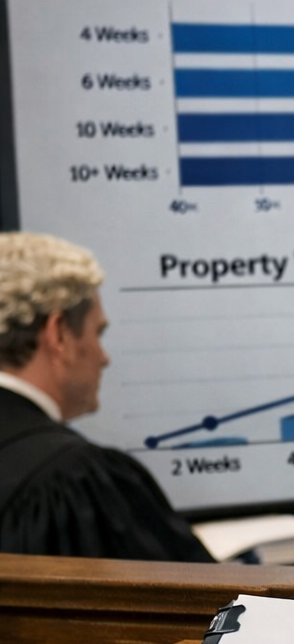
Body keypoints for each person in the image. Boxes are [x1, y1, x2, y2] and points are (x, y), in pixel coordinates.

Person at [0, 233, 212, 561]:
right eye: (97, 333)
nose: (104, 357)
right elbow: (208, 603)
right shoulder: (73, 481)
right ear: (58, 332)